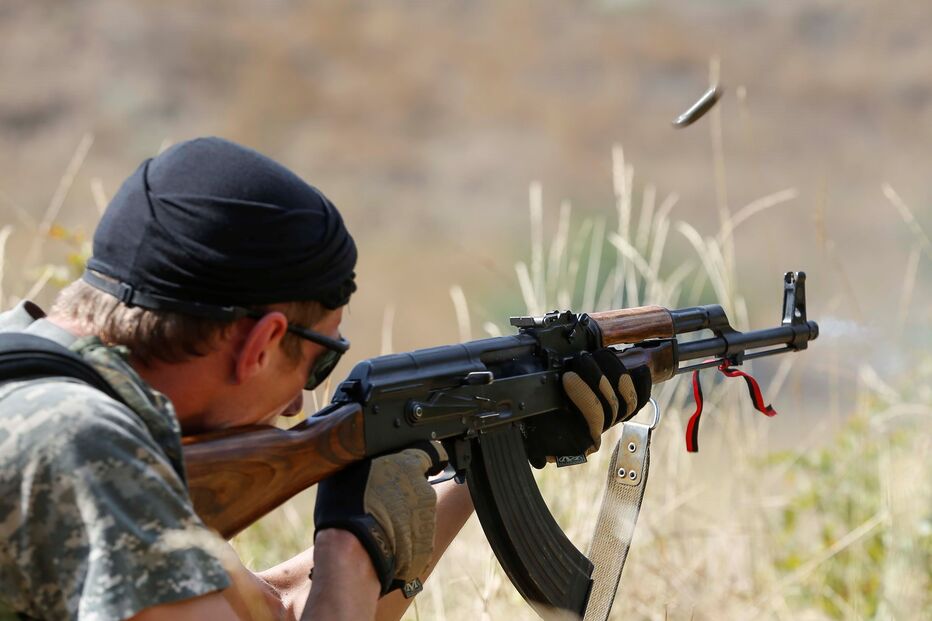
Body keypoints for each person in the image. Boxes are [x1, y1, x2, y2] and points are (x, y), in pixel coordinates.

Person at [0, 137, 650, 621]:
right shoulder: (84, 445)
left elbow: (276, 610)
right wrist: (348, 546)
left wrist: (483, 444)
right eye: (319, 359)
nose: (299, 403)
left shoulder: (36, 384)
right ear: (262, 341)